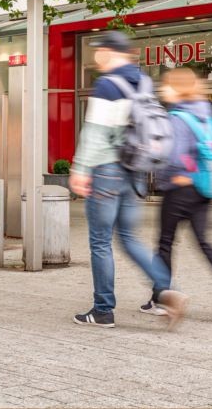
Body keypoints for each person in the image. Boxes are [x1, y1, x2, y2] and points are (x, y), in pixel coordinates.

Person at [69, 30, 187, 328]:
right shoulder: (144, 82)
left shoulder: (107, 84)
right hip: (134, 171)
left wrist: (80, 168)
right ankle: (166, 290)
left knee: (100, 241)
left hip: (106, 170)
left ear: (109, 52)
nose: (96, 55)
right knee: (130, 238)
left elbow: (96, 133)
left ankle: (103, 310)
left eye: (99, 50)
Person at [140, 68, 212, 323]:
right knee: (205, 243)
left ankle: (161, 299)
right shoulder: (204, 113)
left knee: (165, 244)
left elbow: (174, 155)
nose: (163, 89)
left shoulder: (178, 117)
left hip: (180, 187)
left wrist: (158, 160)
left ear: (178, 88)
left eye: (167, 85)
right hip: (204, 186)